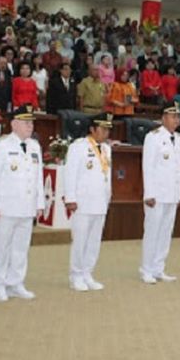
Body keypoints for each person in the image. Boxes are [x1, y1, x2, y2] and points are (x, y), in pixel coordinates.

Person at [0, 106, 45, 302]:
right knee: (3, 246)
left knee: (21, 247)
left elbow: (38, 177)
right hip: (6, 206)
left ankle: (16, 282)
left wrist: (39, 202)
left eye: (32, 122)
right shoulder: (1, 146)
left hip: (26, 207)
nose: (30, 126)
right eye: (26, 122)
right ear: (14, 124)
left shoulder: (35, 146)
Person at [64, 113, 113, 291]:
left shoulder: (107, 149)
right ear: (92, 129)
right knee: (80, 240)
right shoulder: (78, 147)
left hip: (100, 202)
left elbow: (107, 175)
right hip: (83, 202)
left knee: (94, 241)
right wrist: (70, 198)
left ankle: (87, 273)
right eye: (103, 128)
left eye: (108, 129)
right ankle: (76, 275)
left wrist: (108, 196)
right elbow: (70, 173)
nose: (106, 132)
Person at [140, 102, 180, 285]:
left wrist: (178, 194)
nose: (176, 120)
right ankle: (146, 269)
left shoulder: (179, 138)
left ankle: (158, 267)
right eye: (173, 116)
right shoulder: (153, 137)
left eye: (178, 117)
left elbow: (177, 169)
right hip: (156, 195)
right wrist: (148, 193)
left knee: (166, 232)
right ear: (163, 118)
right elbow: (147, 166)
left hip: (171, 194)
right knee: (153, 231)